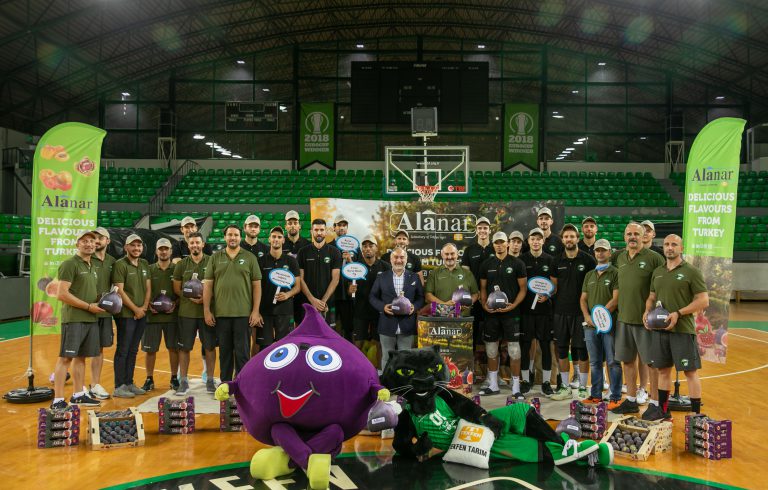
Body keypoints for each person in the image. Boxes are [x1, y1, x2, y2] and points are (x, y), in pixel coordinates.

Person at [643, 234, 709, 419]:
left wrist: (678, 313)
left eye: (674, 244)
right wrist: (646, 312)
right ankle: (664, 412)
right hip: (660, 330)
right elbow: (651, 297)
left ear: (681, 248)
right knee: (663, 371)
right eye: (666, 244)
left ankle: (697, 415)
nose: (669, 247)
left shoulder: (691, 271)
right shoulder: (658, 271)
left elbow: (703, 300)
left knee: (690, 372)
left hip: (682, 330)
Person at [611, 222, 666, 416]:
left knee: (651, 362)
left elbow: (664, 284)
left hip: (646, 321)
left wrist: (656, 312)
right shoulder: (620, 257)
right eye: (629, 234)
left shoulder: (654, 258)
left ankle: (655, 402)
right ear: (624, 236)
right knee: (627, 361)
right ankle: (632, 400)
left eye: (636, 234)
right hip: (624, 318)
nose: (632, 237)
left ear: (644, 236)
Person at [50, 230, 104, 409]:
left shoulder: (92, 265)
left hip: (90, 318)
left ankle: (78, 394)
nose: (89, 244)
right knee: (65, 358)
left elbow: (87, 292)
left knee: (81, 358)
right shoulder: (69, 264)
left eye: (92, 241)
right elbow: (61, 294)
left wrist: (105, 299)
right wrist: (88, 306)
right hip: (74, 319)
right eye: (84, 241)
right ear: (77, 244)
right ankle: (58, 399)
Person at [203, 225, 263, 382]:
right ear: (225, 237)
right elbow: (208, 285)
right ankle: (225, 385)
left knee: (242, 353)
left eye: (236, 235)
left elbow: (257, 285)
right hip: (221, 314)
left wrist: (255, 311)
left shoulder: (250, 257)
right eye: (230, 235)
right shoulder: (215, 258)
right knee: (225, 353)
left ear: (240, 237)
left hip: (244, 314)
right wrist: (206, 310)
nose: (233, 237)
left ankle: (242, 385)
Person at [549, 224, 596, 401]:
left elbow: (593, 286)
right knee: (561, 350)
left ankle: (584, 387)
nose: (569, 239)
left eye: (572, 236)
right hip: (560, 312)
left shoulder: (588, 260)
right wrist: (544, 294)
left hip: (581, 314)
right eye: (566, 237)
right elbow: (553, 287)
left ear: (577, 238)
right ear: (563, 240)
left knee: (582, 351)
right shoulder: (556, 261)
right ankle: (565, 387)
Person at [478, 232, 527, 399]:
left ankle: (516, 387)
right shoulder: (486, 264)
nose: (499, 245)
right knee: (491, 349)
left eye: (502, 242)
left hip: (511, 313)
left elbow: (523, 289)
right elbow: (483, 288)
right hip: (491, 315)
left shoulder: (517, 263)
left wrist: (514, 305)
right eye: (496, 243)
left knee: (514, 350)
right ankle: (493, 384)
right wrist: (484, 305)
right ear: (493, 245)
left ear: (507, 244)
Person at [579, 239, 622, 408]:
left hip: (609, 325)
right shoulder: (589, 275)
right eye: (597, 250)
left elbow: (616, 299)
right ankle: (596, 395)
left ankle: (616, 396)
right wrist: (587, 316)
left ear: (610, 253)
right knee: (595, 362)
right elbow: (583, 299)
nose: (600, 253)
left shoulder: (616, 273)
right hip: (590, 326)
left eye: (603, 250)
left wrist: (600, 316)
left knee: (613, 361)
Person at [172, 232, 216, 394]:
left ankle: (210, 380)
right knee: (184, 348)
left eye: (198, 242)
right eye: (192, 243)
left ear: (203, 244)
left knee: (210, 347)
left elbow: (216, 285)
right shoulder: (182, 264)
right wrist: (190, 297)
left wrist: (205, 299)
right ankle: (183, 381)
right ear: (188, 245)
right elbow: (177, 288)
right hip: (187, 312)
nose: (195, 245)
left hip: (207, 313)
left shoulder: (212, 261)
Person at [369, 247, 425, 370]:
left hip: (407, 324)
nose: (398, 260)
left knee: (405, 358)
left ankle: (403, 386)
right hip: (386, 324)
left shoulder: (414, 277)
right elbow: (372, 297)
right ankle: (386, 385)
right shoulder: (382, 277)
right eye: (396, 257)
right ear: (390, 259)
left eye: (402, 257)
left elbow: (421, 298)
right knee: (386, 358)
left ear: (406, 259)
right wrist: (382, 307)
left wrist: (414, 307)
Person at [111, 233, 151, 398]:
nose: (136, 248)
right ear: (126, 247)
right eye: (132, 245)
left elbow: (148, 287)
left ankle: (129, 382)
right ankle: (119, 385)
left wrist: (144, 308)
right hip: (126, 314)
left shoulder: (144, 263)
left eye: (139, 245)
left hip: (141, 313)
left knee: (133, 350)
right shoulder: (120, 265)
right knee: (123, 349)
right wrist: (135, 309)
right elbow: (119, 289)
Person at [519, 228, 556, 395]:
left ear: (543, 241)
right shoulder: (521, 260)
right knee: (525, 346)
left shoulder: (550, 260)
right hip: (526, 311)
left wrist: (547, 294)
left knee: (545, 347)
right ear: (528, 241)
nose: (535, 241)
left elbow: (554, 285)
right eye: (532, 238)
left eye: (538, 239)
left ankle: (546, 382)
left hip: (544, 312)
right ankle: (526, 381)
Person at [347, 235, 390, 370]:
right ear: (361, 249)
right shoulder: (355, 267)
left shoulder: (386, 267)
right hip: (360, 311)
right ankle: (357, 372)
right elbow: (349, 291)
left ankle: (381, 373)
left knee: (380, 344)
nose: (367, 249)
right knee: (357, 344)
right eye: (365, 246)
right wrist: (350, 290)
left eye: (371, 246)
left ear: (376, 248)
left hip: (379, 313)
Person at [141, 238, 179, 392]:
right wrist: (148, 303)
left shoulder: (177, 269)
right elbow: (144, 289)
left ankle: (174, 378)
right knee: (150, 350)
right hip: (152, 316)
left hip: (172, 316)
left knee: (173, 348)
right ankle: (149, 378)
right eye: (160, 249)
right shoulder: (149, 269)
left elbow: (181, 290)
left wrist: (176, 303)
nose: (163, 251)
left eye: (166, 248)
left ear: (171, 251)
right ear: (156, 251)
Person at [258, 226, 301, 348]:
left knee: (285, 347)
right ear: (269, 239)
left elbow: (298, 287)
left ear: (283, 240)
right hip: (265, 311)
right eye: (274, 237)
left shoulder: (291, 261)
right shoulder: (260, 261)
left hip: (285, 311)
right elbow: (256, 288)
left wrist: (287, 294)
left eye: (279, 237)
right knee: (265, 348)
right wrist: (256, 311)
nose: (276, 239)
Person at [297, 218, 342, 324]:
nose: (319, 233)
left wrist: (323, 301)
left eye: (322, 230)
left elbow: (335, 279)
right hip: (307, 303)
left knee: (327, 339)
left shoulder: (334, 252)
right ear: (311, 231)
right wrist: (312, 299)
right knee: (308, 338)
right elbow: (300, 279)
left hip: (327, 304)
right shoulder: (303, 252)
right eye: (316, 230)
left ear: (326, 231)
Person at [88, 226, 115, 400]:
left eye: (101, 237)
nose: (97, 240)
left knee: (99, 349)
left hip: (105, 312)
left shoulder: (113, 261)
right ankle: (80, 388)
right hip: (87, 311)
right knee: (83, 351)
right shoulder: (86, 259)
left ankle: (95, 384)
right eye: (95, 237)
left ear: (108, 241)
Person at [462, 217, 495, 354]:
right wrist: (473, 295)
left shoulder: (496, 247)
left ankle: (491, 370)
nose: (482, 230)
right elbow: (465, 275)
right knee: (472, 332)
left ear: (490, 230)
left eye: (485, 228)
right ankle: (471, 367)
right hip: (474, 298)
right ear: (476, 230)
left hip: (493, 296)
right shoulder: (469, 249)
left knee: (492, 333)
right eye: (480, 228)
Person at [425, 243, 478, 316]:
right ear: (442, 255)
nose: (449, 257)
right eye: (446, 254)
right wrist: (444, 304)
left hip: (462, 317)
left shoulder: (467, 273)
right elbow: (428, 295)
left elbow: (475, 293)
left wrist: (468, 303)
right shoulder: (434, 273)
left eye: (452, 254)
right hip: (439, 316)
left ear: (457, 254)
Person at [333, 214, 356, 341]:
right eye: (339, 225)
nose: (342, 228)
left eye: (344, 225)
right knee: (332, 327)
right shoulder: (329, 246)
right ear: (334, 228)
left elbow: (358, 270)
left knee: (348, 329)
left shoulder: (354, 246)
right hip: (332, 294)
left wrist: (350, 260)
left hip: (348, 295)